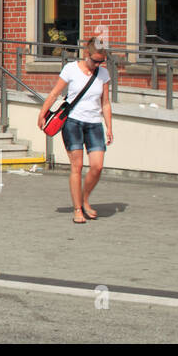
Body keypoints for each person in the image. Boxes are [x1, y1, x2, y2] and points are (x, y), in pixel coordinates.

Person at [37, 38, 114, 224]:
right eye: (95, 60)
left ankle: (85, 198)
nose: (97, 65)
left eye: (101, 61)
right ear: (86, 54)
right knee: (77, 166)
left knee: (97, 166)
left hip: (94, 123)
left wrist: (109, 126)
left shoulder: (103, 74)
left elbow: (105, 102)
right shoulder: (71, 69)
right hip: (73, 122)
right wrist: (43, 113)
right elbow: (55, 93)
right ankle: (78, 209)